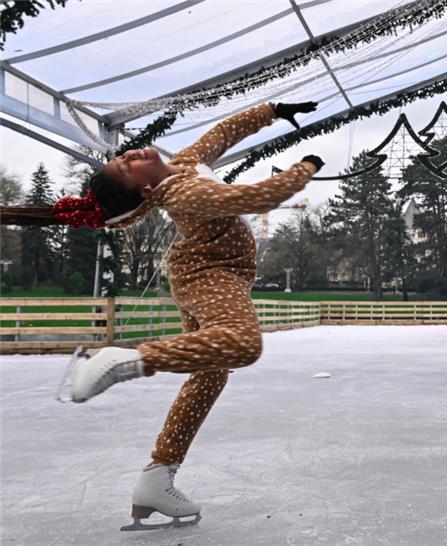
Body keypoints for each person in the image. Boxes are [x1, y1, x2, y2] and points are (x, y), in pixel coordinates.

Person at [44, 101, 323, 529]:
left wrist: (272, 110)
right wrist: (304, 168)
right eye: (127, 166)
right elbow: (256, 197)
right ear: (145, 191)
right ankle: (125, 360)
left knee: (212, 370)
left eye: (124, 155)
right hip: (211, 276)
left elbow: (223, 133)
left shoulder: (187, 165)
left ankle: (157, 478)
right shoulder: (185, 193)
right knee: (241, 344)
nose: (131, 154)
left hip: (200, 270)